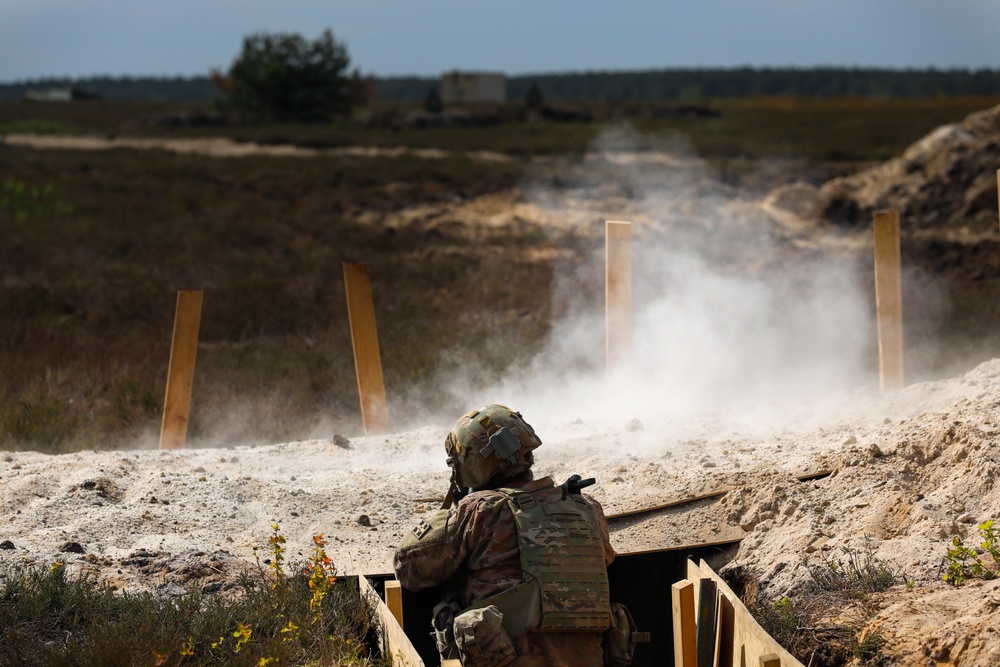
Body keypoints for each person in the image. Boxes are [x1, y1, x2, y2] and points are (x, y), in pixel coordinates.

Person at [393, 404, 618, 667]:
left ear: (468, 465)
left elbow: (408, 569)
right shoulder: (587, 507)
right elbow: (604, 560)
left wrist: (449, 517)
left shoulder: (482, 510)